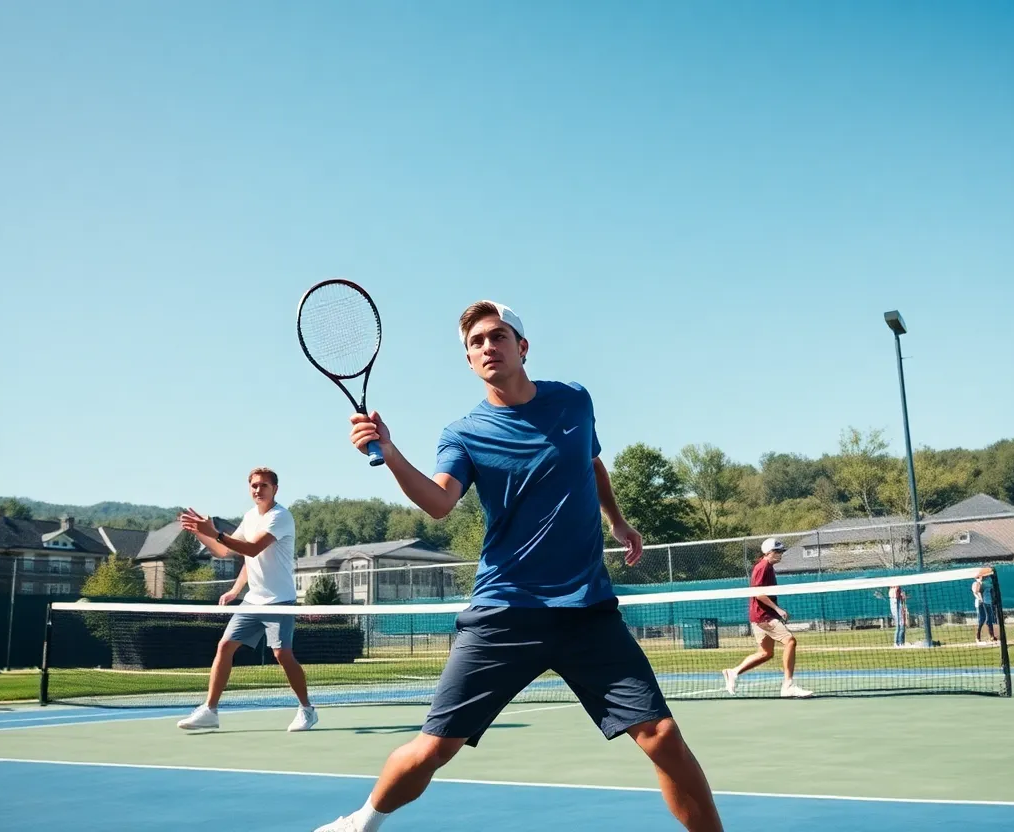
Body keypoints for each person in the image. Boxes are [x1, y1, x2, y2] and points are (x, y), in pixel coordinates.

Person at [313, 301, 724, 832]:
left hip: (587, 611)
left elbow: (591, 460)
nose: (488, 346)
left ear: (521, 347)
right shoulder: (462, 434)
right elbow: (439, 503)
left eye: (497, 336)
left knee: (663, 736)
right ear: (469, 360)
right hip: (506, 611)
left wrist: (617, 521)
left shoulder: (574, 401)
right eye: (476, 342)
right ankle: (362, 822)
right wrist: (390, 452)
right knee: (434, 748)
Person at [175, 466, 317, 732]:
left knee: (282, 654)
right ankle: (210, 710)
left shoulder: (281, 517)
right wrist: (201, 532)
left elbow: (251, 548)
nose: (258, 490)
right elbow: (223, 551)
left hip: (280, 601)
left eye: (263, 485)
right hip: (253, 601)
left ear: (275, 489)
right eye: (253, 485)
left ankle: (307, 710)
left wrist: (215, 530)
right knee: (225, 646)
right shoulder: (250, 517)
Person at [721, 539, 813, 699]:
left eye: (781, 551)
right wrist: (777, 609)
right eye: (778, 552)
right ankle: (788, 686)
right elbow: (759, 593)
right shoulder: (762, 567)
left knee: (766, 653)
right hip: (763, 616)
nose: (781, 554)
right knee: (790, 641)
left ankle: (733, 672)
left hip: (761, 616)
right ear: (769, 552)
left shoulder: (768, 567)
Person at [972, 573, 998, 644]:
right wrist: (980, 599)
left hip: (988, 602)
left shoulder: (989, 581)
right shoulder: (977, 583)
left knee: (989, 619)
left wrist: (994, 600)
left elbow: (992, 591)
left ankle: (992, 636)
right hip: (981, 603)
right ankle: (978, 636)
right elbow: (975, 592)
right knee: (982, 619)